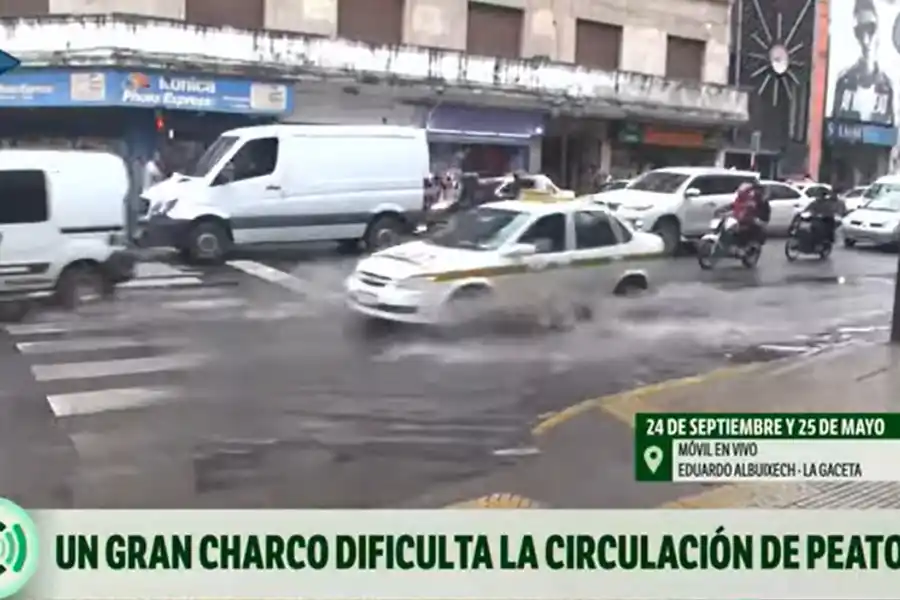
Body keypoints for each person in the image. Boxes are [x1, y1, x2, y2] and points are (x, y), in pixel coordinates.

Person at [831, 0, 894, 125]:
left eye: (870, 29)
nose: (865, 40)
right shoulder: (844, 81)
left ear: (879, 31)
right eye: (859, 32)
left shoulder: (887, 87)